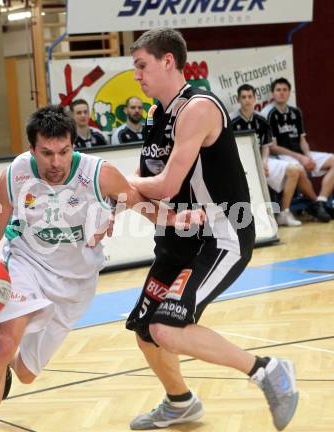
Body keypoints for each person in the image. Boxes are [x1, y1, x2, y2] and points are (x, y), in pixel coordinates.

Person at [0, 105, 203, 432]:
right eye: (46, 153)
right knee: (6, 342)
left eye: (63, 151)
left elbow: (139, 203)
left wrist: (173, 219)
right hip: (26, 262)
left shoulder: (98, 174)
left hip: (77, 281)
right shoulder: (15, 174)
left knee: (27, 374)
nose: (56, 162)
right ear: (32, 149)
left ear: (74, 145)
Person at [125, 29, 298, 431]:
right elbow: (145, 178)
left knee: (166, 326)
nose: (136, 76)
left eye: (141, 65)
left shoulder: (198, 108)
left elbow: (165, 184)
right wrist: (120, 198)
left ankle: (268, 370)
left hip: (221, 236)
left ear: (168, 61)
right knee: (145, 329)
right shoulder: (156, 114)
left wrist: (112, 183)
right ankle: (180, 402)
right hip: (178, 239)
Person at [232, 84, 307, 227]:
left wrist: (264, 162)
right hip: (242, 165)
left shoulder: (262, 120)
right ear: (238, 99)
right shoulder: (231, 121)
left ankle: (284, 213)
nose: (247, 100)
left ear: (255, 98)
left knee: (294, 170)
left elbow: (266, 146)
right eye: (244, 97)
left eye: (250, 97)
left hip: (262, 161)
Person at [262, 78, 333, 221]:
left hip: (300, 153)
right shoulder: (268, 114)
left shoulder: (295, 112)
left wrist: (308, 155)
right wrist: (301, 158)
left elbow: (302, 140)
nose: (281, 93)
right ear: (273, 93)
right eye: (278, 90)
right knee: (298, 169)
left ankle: (322, 200)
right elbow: (273, 148)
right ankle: (316, 204)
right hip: (282, 156)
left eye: (284, 90)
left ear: (289, 93)